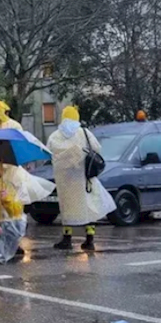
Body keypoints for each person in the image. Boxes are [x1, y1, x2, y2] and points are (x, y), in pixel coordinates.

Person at [47, 106, 116, 251]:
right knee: (88, 207)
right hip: (84, 178)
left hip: (65, 179)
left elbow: (49, 152)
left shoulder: (55, 135)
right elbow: (96, 148)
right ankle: (89, 239)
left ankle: (67, 239)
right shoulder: (84, 133)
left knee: (67, 208)